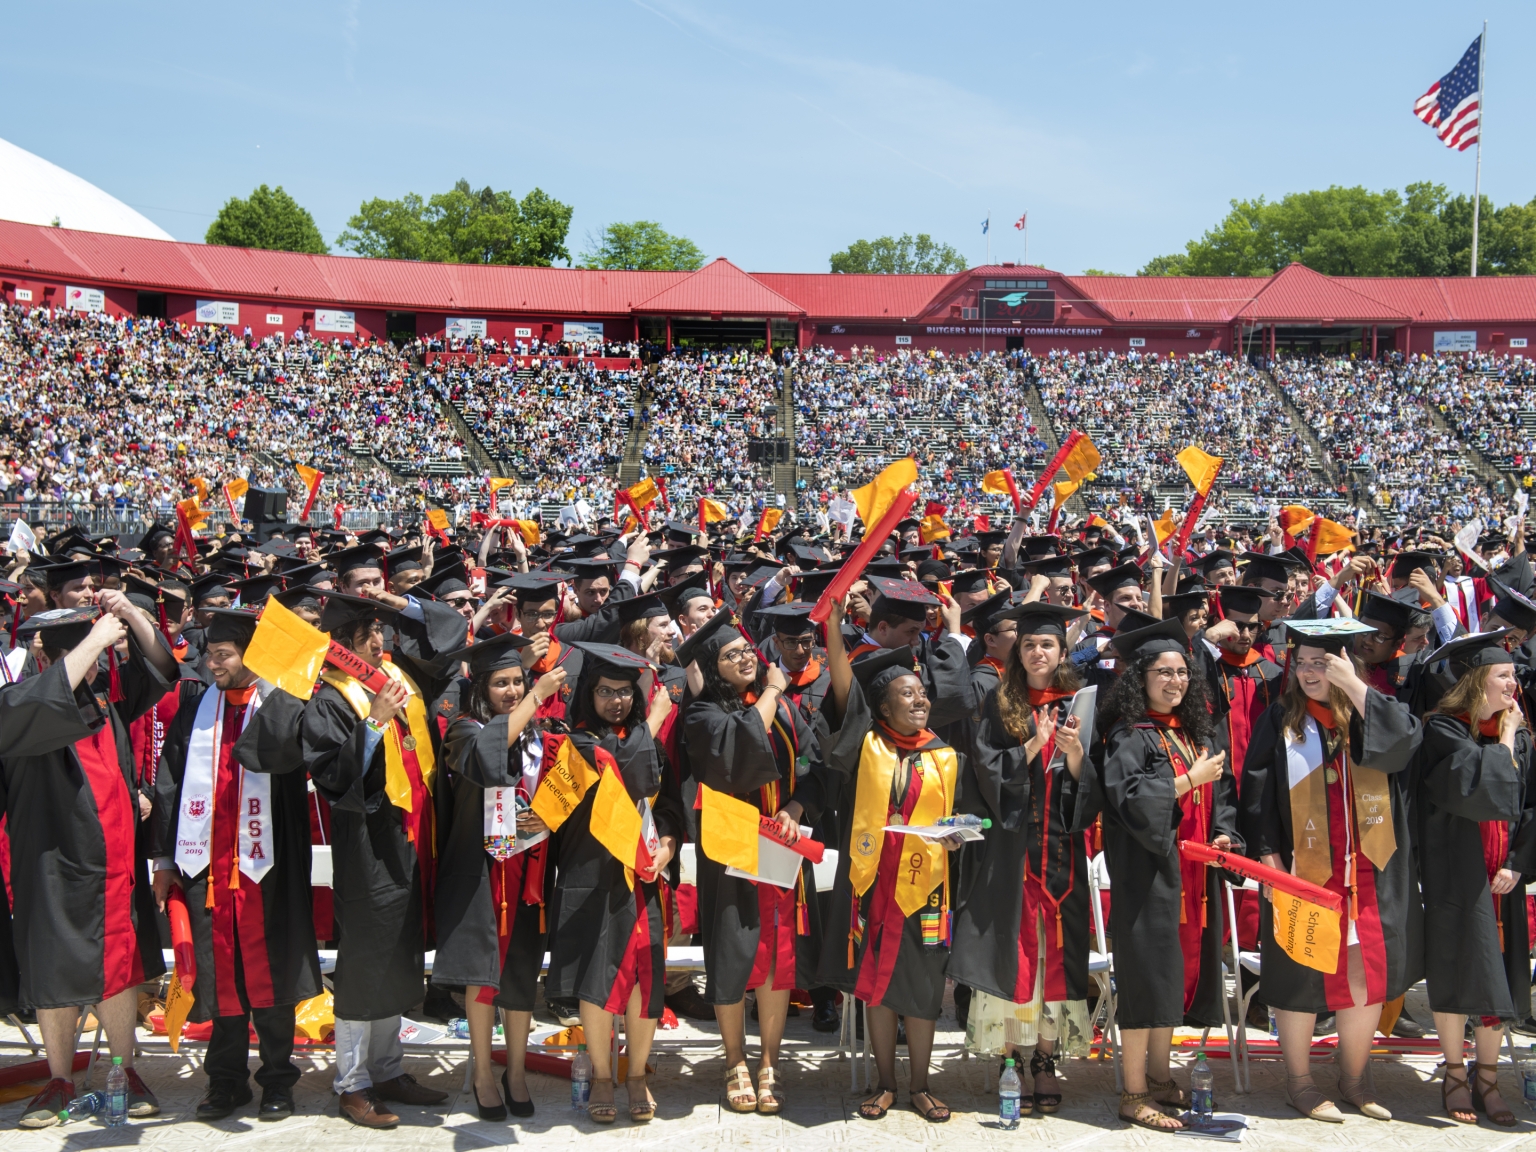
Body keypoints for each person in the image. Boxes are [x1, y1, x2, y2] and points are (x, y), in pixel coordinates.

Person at [0, 596, 177, 1128]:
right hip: (52, 864)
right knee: (54, 970)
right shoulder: (18, 702)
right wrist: (93, 641)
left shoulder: (105, 697)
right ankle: (59, 1080)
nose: (101, 665)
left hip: (114, 864)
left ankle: (123, 1070)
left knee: (119, 970)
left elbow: (163, 669)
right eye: (91, 655)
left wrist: (130, 615)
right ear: (45, 653)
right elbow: (40, 703)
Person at [1238, 618, 1422, 1123]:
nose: (1310, 672)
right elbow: (1255, 801)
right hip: (1305, 872)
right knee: (1300, 976)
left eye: (1323, 664)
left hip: (1370, 873)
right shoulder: (1281, 721)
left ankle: (1354, 1078)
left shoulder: (1369, 716)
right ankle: (1299, 1082)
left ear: (1346, 666)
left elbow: (1406, 742)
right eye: (1303, 664)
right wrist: (1272, 867)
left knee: (1363, 975)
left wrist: (1354, 686)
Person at [149, 607, 322, 1121]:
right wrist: (163, 858)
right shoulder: (196, 710)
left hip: (265, 869)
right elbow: (168, 784)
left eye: (222, 654)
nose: (211, 663)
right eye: (209, 653)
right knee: (218, 975)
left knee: (270, 977)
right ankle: (225, 1081)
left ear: (253, 655)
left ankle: (276, 1081)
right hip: (207, 871)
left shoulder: (283, 708)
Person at [299, 590, 457, 1129]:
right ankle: (352, 1084)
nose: (381, 639)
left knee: (397, 957)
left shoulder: (397, 675)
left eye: (381, 631)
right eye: (370, 633)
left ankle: (388, 1071)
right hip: (368, 844)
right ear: (345, 644)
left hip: (411, 838)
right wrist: (375, 722)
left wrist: (402, 604)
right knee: (366, 962)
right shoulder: (332, 698)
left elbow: (448, 645)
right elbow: (331, 775)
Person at [819, 599, 966, 1125]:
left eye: (923, 693)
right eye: (908, 694)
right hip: (871, 883)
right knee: (875, 987)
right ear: (882, 708)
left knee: (924, 987)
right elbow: (842, 688)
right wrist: (834, 631)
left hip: (926, 888)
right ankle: (885, 1083)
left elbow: (958, 817)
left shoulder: (944, 756)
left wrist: (956, 838)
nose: (920, 701)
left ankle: (922, 1085)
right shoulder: (866, 746)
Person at [1094, 615, 1238, 1134]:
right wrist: (1187, 780)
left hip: (1190, 878)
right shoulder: (1130, 736)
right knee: (1145, 981)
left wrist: (1224, 832)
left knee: (1168, 981)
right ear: (1141, 678)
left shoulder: (1189, 732)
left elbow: (1219, 796)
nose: (1175, 680)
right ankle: (1133, 1093)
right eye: (1163, 672)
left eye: (1182, 672)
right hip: (1146, 877)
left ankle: (1158, 1074)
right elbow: (1129, 802)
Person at [951, 604, 1093, 1116]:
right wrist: (1033, 745)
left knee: (1057, 952)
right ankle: (1012, 1057)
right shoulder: (1000, 701)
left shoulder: (1079, 703)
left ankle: (1046, 1060)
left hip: (1062, 848)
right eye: (1030, 644)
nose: (1037, 652)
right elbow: (984, 772)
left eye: (1048, 645)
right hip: (1013, 850)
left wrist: (1074, 752)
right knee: (1019, 954)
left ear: (1062, 652)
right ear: (1019, 651)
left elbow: (1091, 781)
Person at [680, 610, 824, 1114]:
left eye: (746, 650)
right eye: (730, 655)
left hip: (779, 846)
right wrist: (771, 691)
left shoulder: (784, 711)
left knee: (777, 955)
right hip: (731, 847)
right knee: (732, 951)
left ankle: (769, 1060)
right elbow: (736, 752)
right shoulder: (701, 714)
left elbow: (812, 765)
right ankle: (734, 1059)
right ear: (711, 666)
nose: (744, 659)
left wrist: (795, 806)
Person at [540, 642, 682, 1124]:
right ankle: (602, 1074)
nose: (617, 700)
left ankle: (636, 1073)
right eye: (605, 691)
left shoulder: (647, 740)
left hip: (641, 879)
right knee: (595, 980)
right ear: (588, 694)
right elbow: (622, 775)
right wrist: (656, 721)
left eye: (625, 692)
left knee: (643, 979)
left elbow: (665, 806)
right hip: (592, 879)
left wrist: (667, 845)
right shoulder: (576, 744)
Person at [433, 633, 566, 1121]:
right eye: (501, 684)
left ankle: (514, 1070)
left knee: (520, 975)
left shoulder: (537, 733)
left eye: (518, 681)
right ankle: (484, 1072)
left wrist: (546, 814)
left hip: (526, 870)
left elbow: (557, 787)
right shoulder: (463, 729)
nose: (511, 690)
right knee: (481, 977)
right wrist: (535, 696)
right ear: (481, 689)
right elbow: (486, 756)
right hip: (480, 874)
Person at [1418, 630, 1534, 1128]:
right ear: (1476, 682)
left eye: (1513, 674)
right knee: (1453, 967)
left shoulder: (1524, 737)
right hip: (1456, 871)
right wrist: (1504, 739)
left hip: (1501, 874)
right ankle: (1454, 1073)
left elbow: (1529, 806)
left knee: (1496, 971)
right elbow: (1473, 788)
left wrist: (1519, 863)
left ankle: (1488, 1076)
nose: (1514, 684)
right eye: (1504, 675)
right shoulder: (1444, 730)